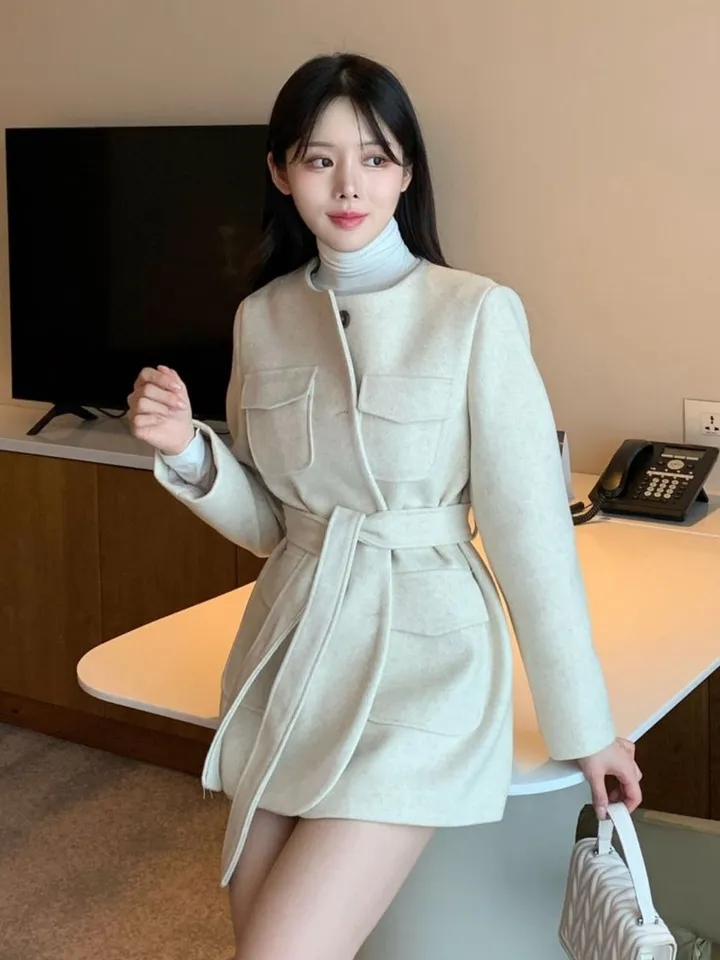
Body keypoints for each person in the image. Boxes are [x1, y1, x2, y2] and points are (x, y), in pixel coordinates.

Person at [127, 52, 643, 960]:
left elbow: (529, 538)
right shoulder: (261, 318)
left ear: (407, 173)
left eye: (375, 157)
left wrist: (586, 727)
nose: (349, 184)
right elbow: (275, 525)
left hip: (426, 664)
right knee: (264, 940)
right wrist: (188, 453)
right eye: (320, 159)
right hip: (291, 654)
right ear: (281, 172)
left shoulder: (474, 311)